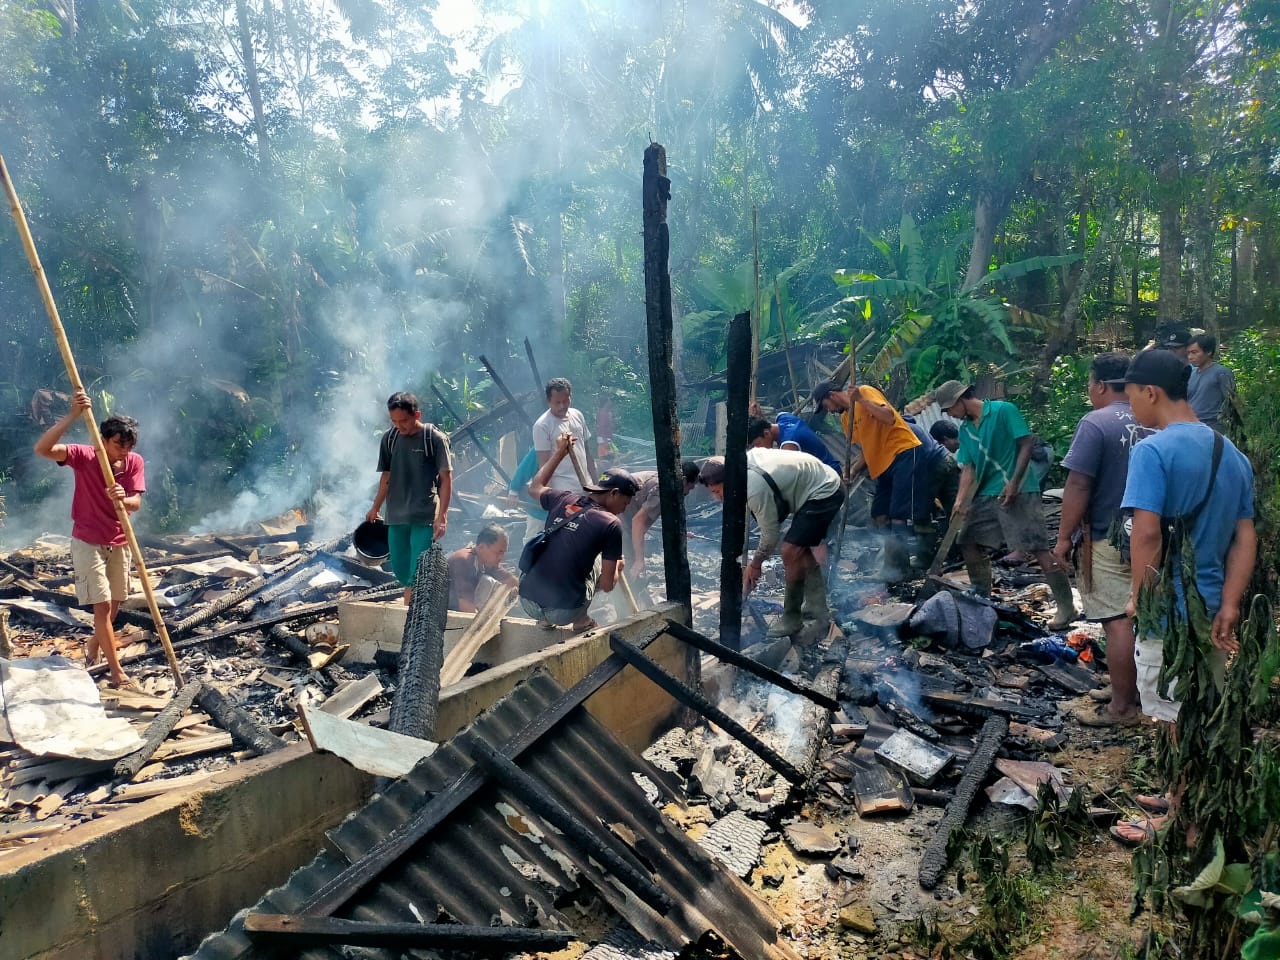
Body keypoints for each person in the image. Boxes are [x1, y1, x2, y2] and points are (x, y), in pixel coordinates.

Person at [1110, 348, 1256, 843]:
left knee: (1174, 713)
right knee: (1198, 705)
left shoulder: (1152, 451)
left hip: (1169, 609)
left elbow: (1146, 533)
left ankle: (1184, 823)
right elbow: (1244, 537)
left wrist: (1138, 596)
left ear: (1150, 392)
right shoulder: (1229, 452)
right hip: (1213, 604)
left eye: (1131, 397)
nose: (1131, 408)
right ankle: (1180, 795)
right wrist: (1231, 603)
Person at [931, 380, 1078, 629]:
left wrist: (1014, 482)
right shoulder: (966, 430)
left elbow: (1026, 444)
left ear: (960, 400)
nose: (949, 415)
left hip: (1020, 490)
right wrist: (959, 499)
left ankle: (1066, 606)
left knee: (1038, 547)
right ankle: (981, 594)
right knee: (968, 541)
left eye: (949, 409)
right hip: (987, 493)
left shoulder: (1003, 410)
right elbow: (969, 467)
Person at [1052, 352, 1148, 726]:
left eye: (1089, 384)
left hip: (1108, 535)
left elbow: (1078, 483)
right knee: (1141, 616)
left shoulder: (1096, 422)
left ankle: (1122, 707)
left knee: (1116, 619)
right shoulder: (1153, 420)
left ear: (1101, 385)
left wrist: (1063, 538)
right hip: (1150, 534)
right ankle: (1131, 687)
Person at [33, 390, 144, 689]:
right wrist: (72, 415)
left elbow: (136, 503)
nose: (124, 451)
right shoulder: (83, 456)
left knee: (116, 603)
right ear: (103, 440)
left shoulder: (134, 462)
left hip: (119, 540)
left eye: (129, 446)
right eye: (119, 445)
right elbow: (42, 449)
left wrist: (125, 499)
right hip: (87, 542)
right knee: (103, 607)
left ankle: (94, 645)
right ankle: (116, 672)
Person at [698, 448, 844, 637]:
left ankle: (791, 619)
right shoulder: (740, 469)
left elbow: (770, 536)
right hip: (815, 485)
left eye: (717, 491)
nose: (717, 498)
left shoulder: (753, 487)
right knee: (800, 550)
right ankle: (817, 609)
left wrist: (756, 564)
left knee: (790, 550)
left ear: (729, 481)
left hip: (825, 490)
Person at [811, 380, 933, 580]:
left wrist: (860, 399)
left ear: (832, 396)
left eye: (826, 406)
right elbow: (867, 450)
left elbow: (889, 417)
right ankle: (896, 564)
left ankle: (901, 568)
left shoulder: (865, 393)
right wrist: (852, 471)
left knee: (898, 515)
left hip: (903, 451)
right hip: (883, 464)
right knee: (879, 515)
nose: (829, 411)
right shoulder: (845, 420)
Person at [519, 435, 636, 631]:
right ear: (614, 493)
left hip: (527, 603)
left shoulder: (563, 498)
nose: (624, 509)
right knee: (602, 560)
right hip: (564, 612)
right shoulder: (611, 523)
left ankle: (545, 619)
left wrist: (559, 453)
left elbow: (534, 488)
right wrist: (617, 567)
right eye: (625, 503)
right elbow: (607, 585)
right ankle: (581, 620)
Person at [366, 391, 453, 605]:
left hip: (424, 515)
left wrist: (442, 516)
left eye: (403, 421)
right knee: (400, 569)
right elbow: (387, 475)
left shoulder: (434, 439)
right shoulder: (390, 438)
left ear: (417, 415)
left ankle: (412, 616)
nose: (399, 426)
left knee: (418, 571)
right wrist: (375, 506)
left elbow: (446, 478)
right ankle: (413, 607)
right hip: (396, 515)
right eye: (394, 421)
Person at [624, 461, 700, 580]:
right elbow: (638, 522)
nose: (687, 493)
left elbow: (642, 524)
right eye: (689, 488)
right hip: (615, 513)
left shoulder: (665, 479)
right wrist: (639, 560)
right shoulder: (664, 491)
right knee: (629, 558)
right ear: (684, 480)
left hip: (621, 513)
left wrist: (679, 533)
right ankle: (623, 591)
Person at [532, 377, 594, 493]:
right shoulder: (542, 426)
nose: (562, 406)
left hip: (587, 486)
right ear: (549, 401)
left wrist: (596, 484)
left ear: (570, 396)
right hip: (564, 492)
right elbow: (544, 466)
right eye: (558, 402)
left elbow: (587, 452)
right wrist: (551, 498)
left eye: (566, 401)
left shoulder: (578, 415)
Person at [447, 525, 519, 612]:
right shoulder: (463, 561)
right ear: (481, 547)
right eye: (499, 552)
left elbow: (511, 581)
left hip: (462, 607)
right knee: (487, 581)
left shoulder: (485, 561)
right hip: (445, 610)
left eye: (503, 552)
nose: (501, 557)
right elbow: (466, 607)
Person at [747, 413, 842, 473]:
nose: (758, 449)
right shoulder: (783, 416)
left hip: (830, 477)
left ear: (766, 433)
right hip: (833, 465)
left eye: (758, 444)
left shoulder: (789, 445)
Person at [1185, 333, 1235, 430]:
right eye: (1188, 353)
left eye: (1194, 352)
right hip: (1191, 425)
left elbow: (1232, 402)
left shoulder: (1221, 373)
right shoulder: (1191, 373)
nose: (1190, 357)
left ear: (1208, 352)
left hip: (1213, 426)